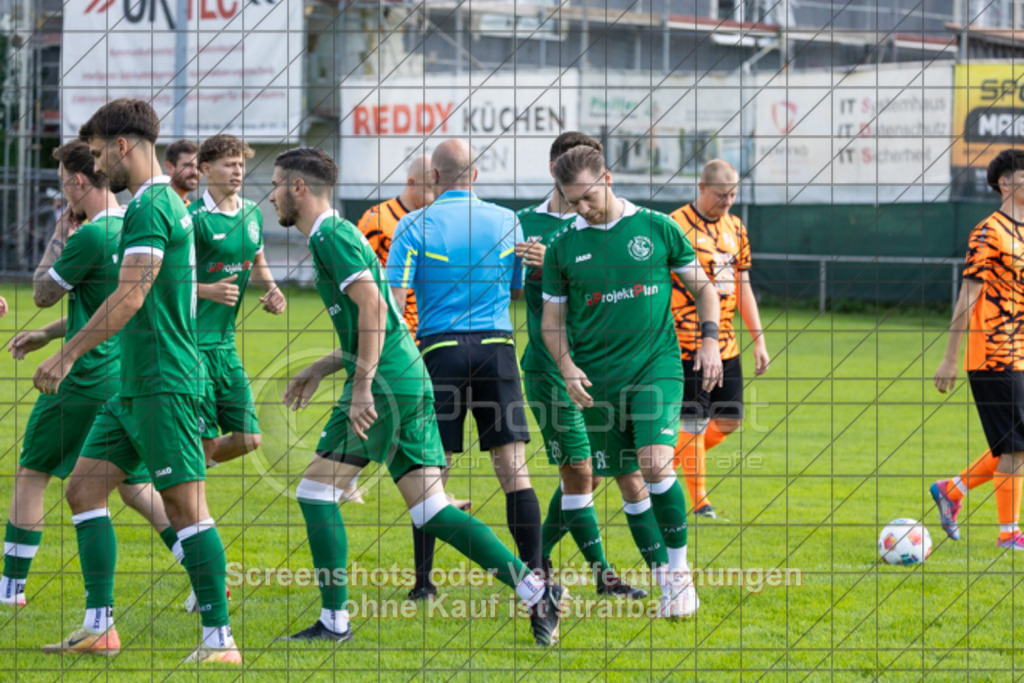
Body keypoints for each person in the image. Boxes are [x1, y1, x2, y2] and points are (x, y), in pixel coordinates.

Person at [269, 147, 565, 646]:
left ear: (299, 187)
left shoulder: (331, 234)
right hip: (409, 375)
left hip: (388, 383)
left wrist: (361, 386)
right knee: (431, 509)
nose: (271, 195)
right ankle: (535, 588)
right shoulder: (341, 233)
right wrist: (324, 367)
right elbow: (382, 310)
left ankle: (335, 623)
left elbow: (371, 306)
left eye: (275, 184)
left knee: (315, 491)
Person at [32, 99, 239, 663]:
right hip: (134, 383)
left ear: (123, 146)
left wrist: (68, 352)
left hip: (164, 380)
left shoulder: (150, 207)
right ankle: (100, 627)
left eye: (100, 154)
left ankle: (219, 641)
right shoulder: (159, 203)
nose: (98, 167)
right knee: (83, 488)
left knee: (184, 507)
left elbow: (131, 294)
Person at [540, 145, 723, 618]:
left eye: (586, 197)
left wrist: (708, 342)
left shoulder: (657, 228)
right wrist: (567, 366)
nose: (581, 208)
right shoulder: (563, 246)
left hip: (655, 368)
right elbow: (552, 324)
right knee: (626, 480)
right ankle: (667, 585)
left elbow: (704, 289)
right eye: (571, 200)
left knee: (655, 462)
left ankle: (681, 576)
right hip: (597, 383)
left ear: (608, 178)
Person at [2, 140, 177, 608]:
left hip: (83, 377)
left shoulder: (90, 235)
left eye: (65, 186)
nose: (65, 196)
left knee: (32, 472)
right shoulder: (133, 226)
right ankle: (199, 569)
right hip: (126, 374)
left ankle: (10, 589)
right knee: (134, 485)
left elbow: (42, 291)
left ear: (80, 181)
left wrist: (59, 233)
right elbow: (105, 306)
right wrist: (46, 334)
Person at [387, 140, 541, 601]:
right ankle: (536, 577)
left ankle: (423, 583)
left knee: (432, 469)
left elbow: (395, 304)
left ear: (433, 178)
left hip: (440, 351)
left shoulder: (413, 224)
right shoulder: (508, 221)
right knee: (513, 469)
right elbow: (516, 288)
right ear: (475, 176)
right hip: (497, 348)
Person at [516, 132, 655, 599]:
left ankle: (533, 561)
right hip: (552, 368)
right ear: (555, 170)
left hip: (602, 366)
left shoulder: (610, 224)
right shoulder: (524, 223)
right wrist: (534, 266)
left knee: (602, 471)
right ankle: (603, 574)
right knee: (581, 469)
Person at [353, 154, 474, 508]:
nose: (436, 194)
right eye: (429, 187)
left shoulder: (434, 223)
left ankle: (437, 495)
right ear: (412, 183)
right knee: (376, 404)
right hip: (389, 334)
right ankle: (344, 474)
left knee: (425, 414)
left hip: (430, 333)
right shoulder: (376, 220)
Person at [932, 148, 1024, 551]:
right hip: (990, 352)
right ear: (1005, 182)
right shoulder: (989, 232)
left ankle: (952, 490)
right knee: (1016, 446)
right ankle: (1009, 535)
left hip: (1019, 350)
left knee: (1013, 441)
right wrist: (950, 358)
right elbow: (966, 298)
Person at [669, 160, 770, 520]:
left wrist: (758, 339)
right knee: (692, 421)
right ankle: (699, 502)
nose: (728, 201)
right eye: (721, 194)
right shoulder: (675, 225)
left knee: (730, 419)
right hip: (686, 341)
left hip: (726, 342)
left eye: (733, 194)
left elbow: (742, 287)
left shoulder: (736, 228)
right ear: (701, 187)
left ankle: (661, 464)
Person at [192, 134, 286, 471]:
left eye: (241, 164)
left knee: (250, 437)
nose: (237, 171)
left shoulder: (252, 214)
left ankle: (176, 470)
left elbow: (258, 261)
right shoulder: (192, 219)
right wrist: (205, 290)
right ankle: (188, 513)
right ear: (206, 169)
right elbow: (163, 280)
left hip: (225, 344)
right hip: (190, 345)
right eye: (229, 164)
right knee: (203, 441)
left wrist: (273, 290)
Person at [164, 139, 199, 204]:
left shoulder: (191, 208)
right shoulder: (158, 205)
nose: (195, 172)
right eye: (188, 165)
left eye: (197, 167)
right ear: (169, 167)